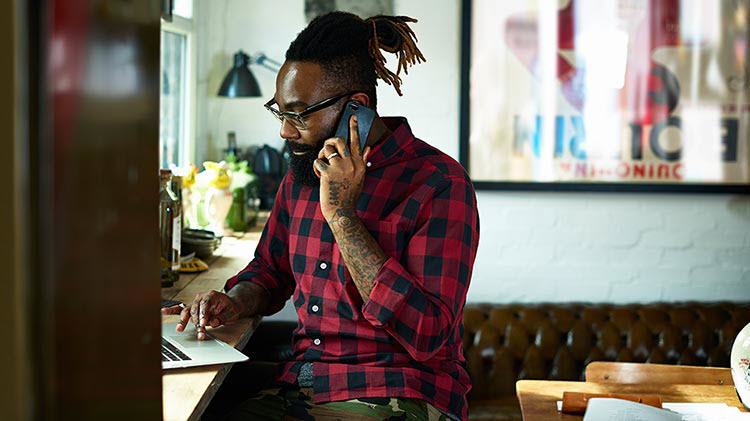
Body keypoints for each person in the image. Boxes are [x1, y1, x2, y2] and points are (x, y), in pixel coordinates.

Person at [163, 11, 480, 421]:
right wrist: (234, 302)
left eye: (298, 114)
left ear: (356, 109)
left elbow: (427, 332)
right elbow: (269, 271)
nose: (285, 132)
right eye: (280, 112)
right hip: (302, 382)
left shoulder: (438, 183)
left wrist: (343, 217)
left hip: (401, 390)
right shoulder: (302, 174)